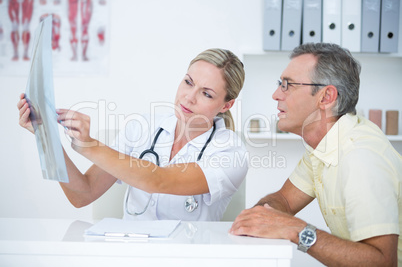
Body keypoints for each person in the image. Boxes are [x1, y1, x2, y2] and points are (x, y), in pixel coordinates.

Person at [18, 48, 248, 221]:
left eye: (206, 94)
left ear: (226, 105)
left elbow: (158, 180)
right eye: (188, 82)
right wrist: (45, 136)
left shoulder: (231, 152)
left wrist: (89, 146)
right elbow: (83, 194)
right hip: (130, 254)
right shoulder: (142, 127)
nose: (189, 97)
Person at [230, 43, 402, 266]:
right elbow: (283, 200)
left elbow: (382, 261)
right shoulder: (322, 147)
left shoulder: (360, 157)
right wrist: (262, 216)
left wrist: (294, 229)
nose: (275, 95)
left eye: (287, 85)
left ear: (326, 97)